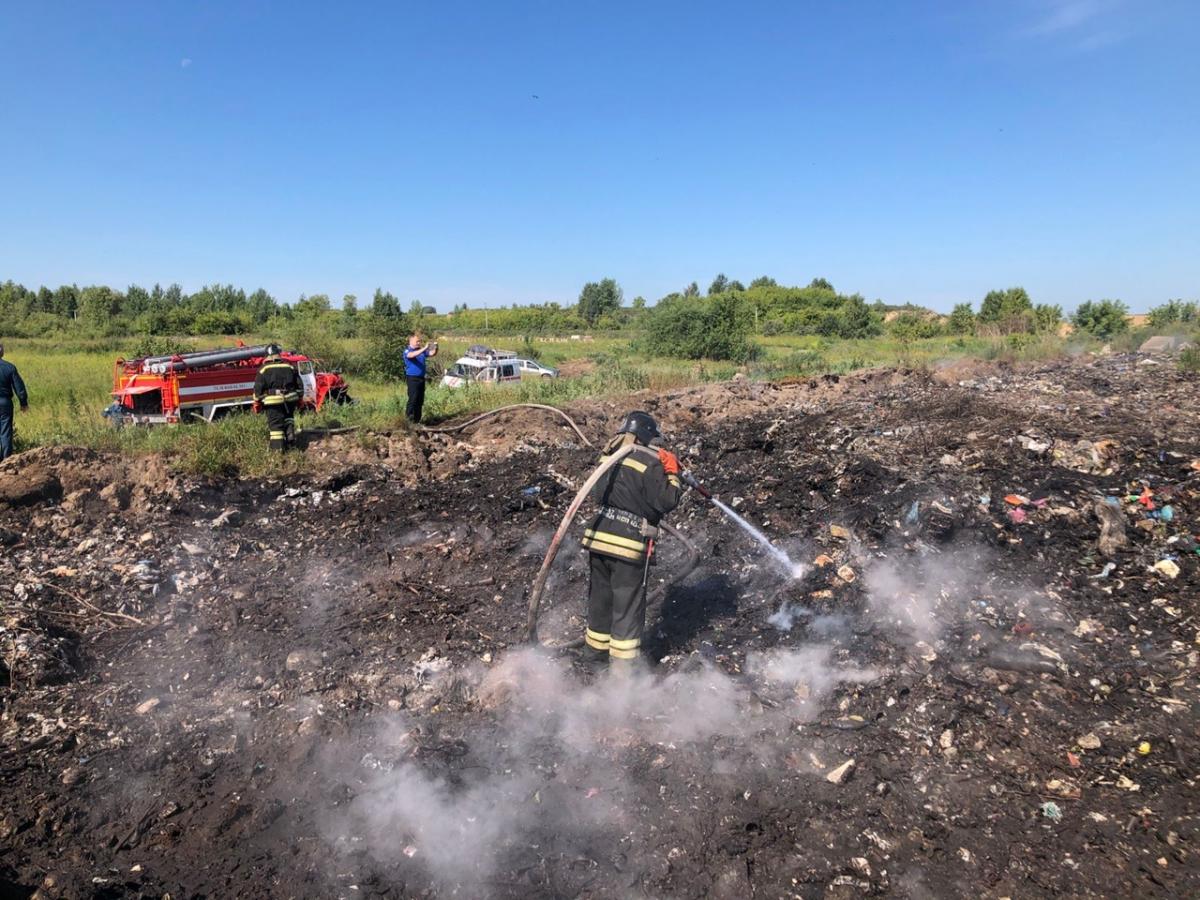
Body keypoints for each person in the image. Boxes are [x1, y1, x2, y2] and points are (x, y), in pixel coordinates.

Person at [580, 411, 683, 670]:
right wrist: (672, 473)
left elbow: (596, 494)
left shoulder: (608, 458)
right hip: (627, 545)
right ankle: (623, 672)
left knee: (600, 600)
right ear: (647, 435)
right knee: (627, 606)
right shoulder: (650, 463)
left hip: (598, 539)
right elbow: (667, 500)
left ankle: (594, 659)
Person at [253, 350, 303, 452]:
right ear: (279, 356)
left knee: (276, 427)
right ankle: (291, 439)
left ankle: (277, 452)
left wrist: (258, 401)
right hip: (290, 400)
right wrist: (298, 398)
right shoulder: (290, 367)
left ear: (267, 356)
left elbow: (257, 392)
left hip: (273, 402)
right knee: (288, 419)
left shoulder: (263, 370)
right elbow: (300, 387)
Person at [0, 343, 28, 461]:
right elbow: (19, 388)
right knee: (5, 431)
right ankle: (6, 461)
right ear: (2, 352)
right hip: (5, 403)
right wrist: (23, 403)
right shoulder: (9, 367)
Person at [404, 333, 438, 423]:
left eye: (419, 341)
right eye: (417, 341)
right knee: (413, 399)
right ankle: (408, 420)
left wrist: (436, 347)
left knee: (420, 400)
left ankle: (417, 421)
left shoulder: (421, 351)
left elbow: (432, 353)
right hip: (412, 379)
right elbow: (411, 355)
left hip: (421, 378)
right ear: (411, 341)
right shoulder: (407, 350)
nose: (419, 343)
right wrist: (424, 348)